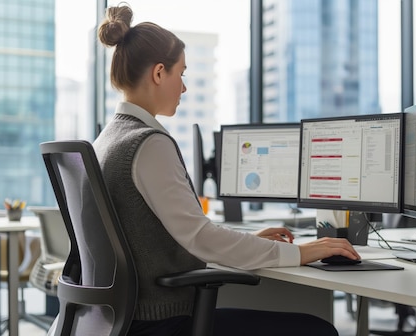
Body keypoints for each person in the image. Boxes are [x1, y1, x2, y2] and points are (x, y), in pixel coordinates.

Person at [94, 4, 358, 335]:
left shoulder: (108, 138)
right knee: (320, 331)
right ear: (159, 73)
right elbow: (200, 238)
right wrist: (299, 252)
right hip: (163, 320)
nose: (185, 88)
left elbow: (175, 232)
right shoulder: (148, 143)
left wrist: (246, 240)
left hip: (124, 318)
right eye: (182, 74)